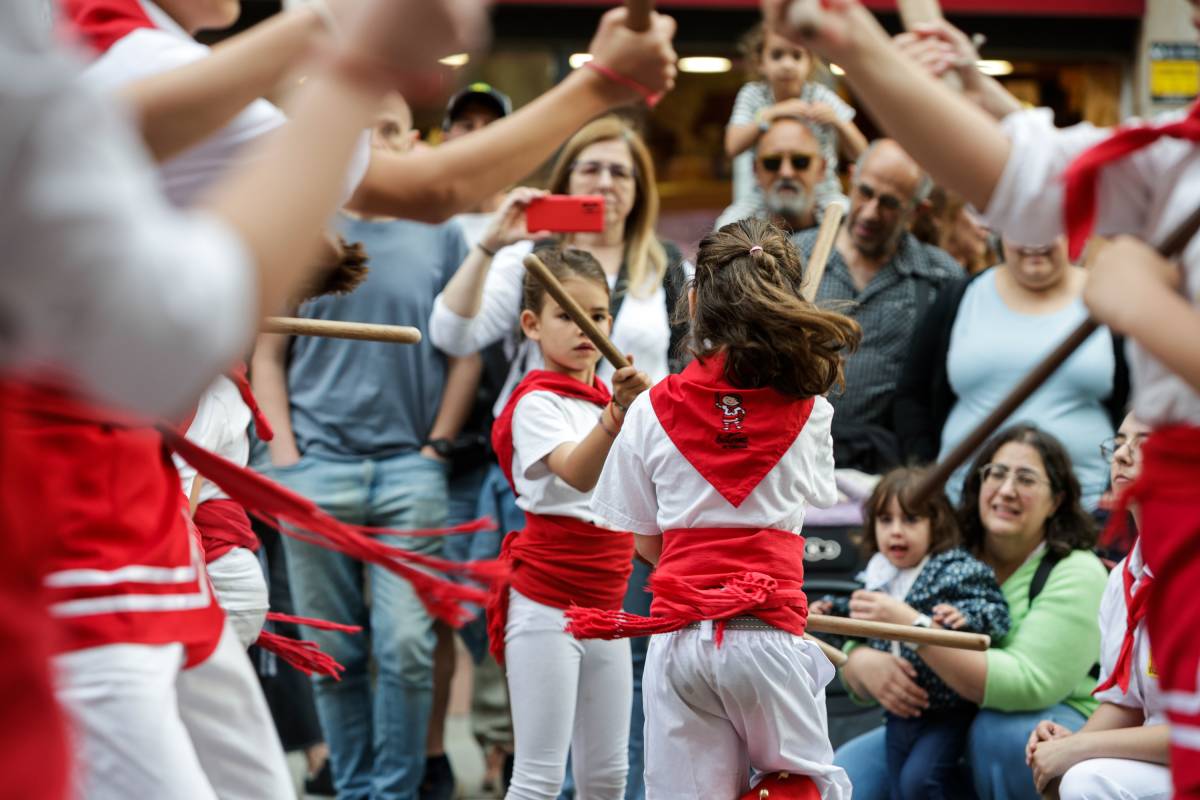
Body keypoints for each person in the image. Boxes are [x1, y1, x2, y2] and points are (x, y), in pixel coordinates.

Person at [2, 0, 492, 797]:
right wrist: (346, 51)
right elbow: (433, 184)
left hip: (138, 536)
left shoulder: (112, 56)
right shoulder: (104, 42)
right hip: (84, 535)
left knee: (257, 776)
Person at [763, 3, 1200, 793]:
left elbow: (1022, 683)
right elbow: (1025, 177)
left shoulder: (1077, 567)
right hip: (1175, 532)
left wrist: (1144, 310)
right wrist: (857, 44)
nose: (1195, 22)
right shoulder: (1180, 153)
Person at [564, 219, 861, 799]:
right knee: (802, 785)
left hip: (681, 643)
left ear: (695, 301)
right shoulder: (812, 410)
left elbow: (645, 540)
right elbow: (808, 503)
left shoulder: (650, 410)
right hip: (767, 637)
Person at [250, 95, 480, 800]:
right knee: (334, 650)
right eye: (358, 131)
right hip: (315, 470)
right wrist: (287, 459)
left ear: (411, 141)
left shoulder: (440, 233)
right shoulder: (306, 228)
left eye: (387, 131)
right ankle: (354, 791)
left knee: (407, 646)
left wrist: (436, 448)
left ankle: (396, 791)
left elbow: (465, 350)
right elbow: (268, 354)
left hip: (410, 470)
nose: (372, 144)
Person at [832, 425, 1108, 800]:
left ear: (1056, 500)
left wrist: (914, 628)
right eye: (996, 473)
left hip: (1054, 719)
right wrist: (859, 662)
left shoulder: (1076, 570)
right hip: (944, 717)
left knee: (998, 735)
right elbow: (867, 614)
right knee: (849, 772)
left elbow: (1027, 684)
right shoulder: (945, 550)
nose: (1006, 489)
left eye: (1026, 479)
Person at [486, 247, 651, 800]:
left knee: (608, 777)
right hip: (546, 604)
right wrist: (619, 416)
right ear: (531, 324)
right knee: (538, 777)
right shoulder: (536, 404)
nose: (587, 329)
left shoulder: (611, 399)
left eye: (597, 315)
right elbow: (579, 474)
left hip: (607, 603)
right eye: (568, 315)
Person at [812, 467, 1010, 800]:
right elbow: (856, 609)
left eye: (911, 519)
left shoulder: (953, 568)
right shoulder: (879, 572)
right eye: (885, 520)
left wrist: (966, 616)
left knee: (922, 781)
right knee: (900, 785)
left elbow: (997, 614)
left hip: (947, 709)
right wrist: (829, 610)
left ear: (936, 523)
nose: (896, 531)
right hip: (900, 712)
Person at [894, 235, 1129, 508]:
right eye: (1021, 228)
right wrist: (928, 472)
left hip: (1085, 503)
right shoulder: (961, 297)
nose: (1035, 240)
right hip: (964, 505)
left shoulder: (1109, 298)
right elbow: (913, 395)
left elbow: (1141, 402)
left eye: (1048, 228)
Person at [793, 138, 961, 474]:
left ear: (917, 211)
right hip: (796, 458)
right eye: (865, 193)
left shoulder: (938, 277)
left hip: (886, 469)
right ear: (851, 178)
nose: (870, 213)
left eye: (889, 204)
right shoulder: (795, 258)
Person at [1024, 414, 1169, 800]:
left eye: (1143, 444)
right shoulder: (1125, 576)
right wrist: (1065, 748)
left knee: (1087, 779)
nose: (1121, 455)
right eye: (1119, 443)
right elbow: (1128, 704)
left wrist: (1081, 749)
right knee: (1069, 773)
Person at [716, 23, 864, 230]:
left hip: (821, 192)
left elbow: (862, 154)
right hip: (764, 194)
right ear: (761, 62)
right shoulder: (754, 95)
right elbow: (732, 146)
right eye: (777, 55)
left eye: (796, 56)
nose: (787, 64)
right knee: (725, 229)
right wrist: (771, 114)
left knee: (854, 226)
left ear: (810, 62)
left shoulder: (821, 96)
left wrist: (838, 122)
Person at [726, 115, 828, 232]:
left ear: (822, 168)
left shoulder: (842, 226)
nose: (786, 172)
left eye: (800, 161)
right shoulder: (733, 232)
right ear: (755, 170)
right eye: (772, 162)